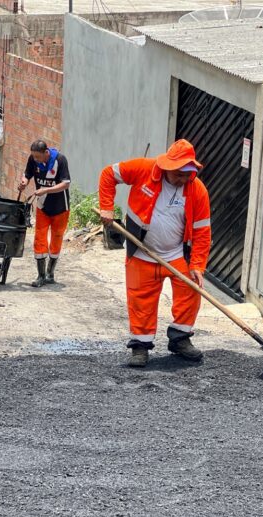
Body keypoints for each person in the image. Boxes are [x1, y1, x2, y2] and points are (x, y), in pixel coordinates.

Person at [98, 139, 211, 368]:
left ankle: (180, 338)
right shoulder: (143, 169)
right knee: (140, 300)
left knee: (191, 288)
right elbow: (109, 174)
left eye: (188, 174)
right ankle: (140, 346)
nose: (184, 179)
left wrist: (197, 265)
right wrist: (107, 206)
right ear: (168, 167)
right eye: (180, 173)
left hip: (177, 253)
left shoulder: (197, 190)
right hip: (142, 251)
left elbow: (202, 231)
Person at [17, 140, 71, 287]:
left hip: (61, 207)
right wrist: (24, 182)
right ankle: (40, 276)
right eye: (33, 157)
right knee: (39, 238)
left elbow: (66, 183)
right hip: (42, 206)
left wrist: (46, 189)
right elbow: (27, 174)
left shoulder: (60, 160)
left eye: (37, 157)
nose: (35, 160)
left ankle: (50, 273)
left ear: (46, 153)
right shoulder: (33, 159)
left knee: (56, 238)